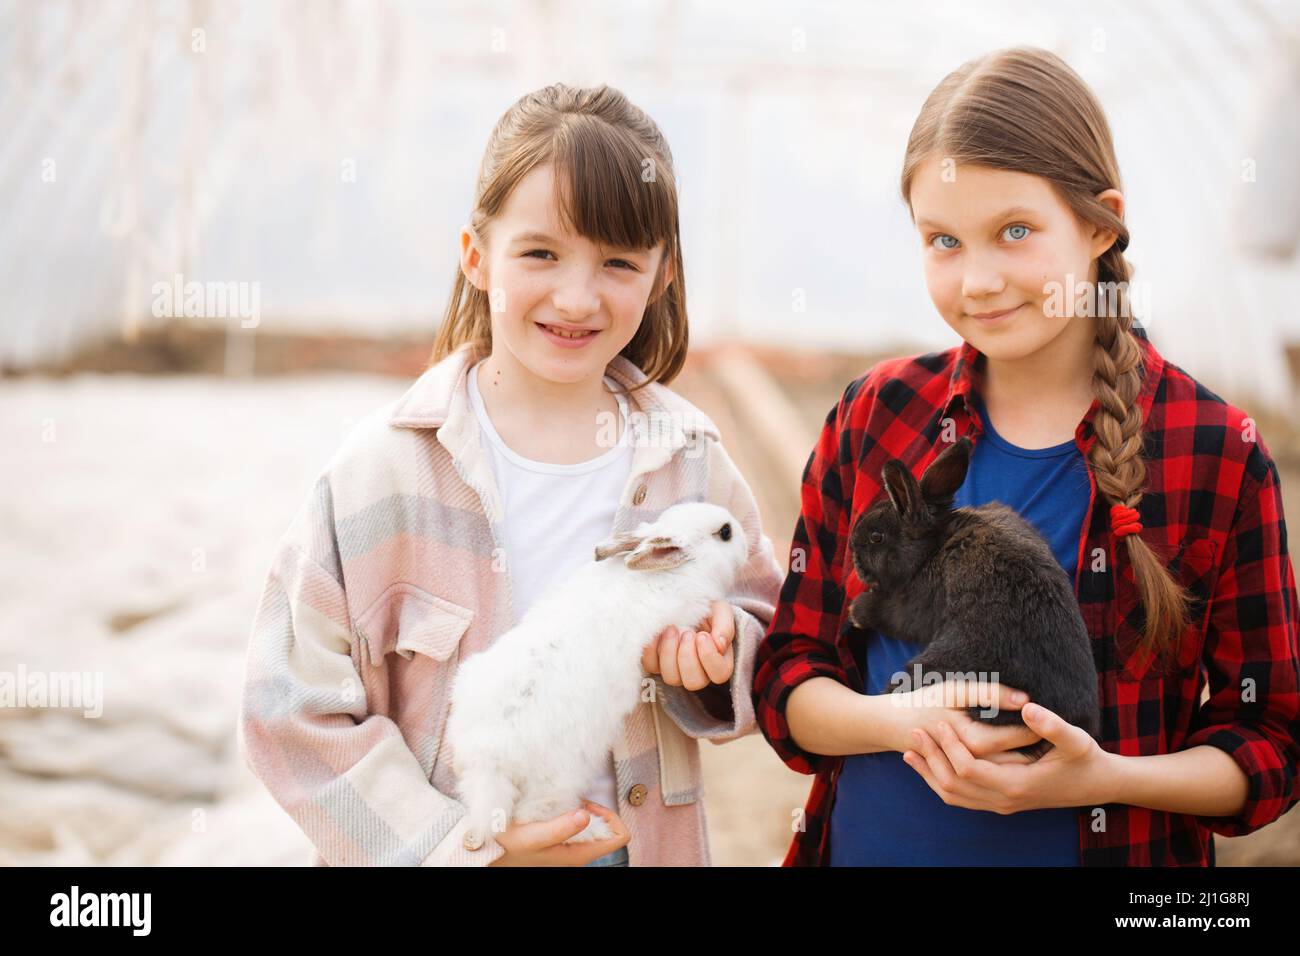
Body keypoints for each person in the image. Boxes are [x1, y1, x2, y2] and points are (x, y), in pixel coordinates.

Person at [753, 46, 1300, 866]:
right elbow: (791, 672)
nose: (977, 281)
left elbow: (1272, 744)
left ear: (1099, 222)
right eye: (943, 240)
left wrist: (1101, 777)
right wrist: (900, 718)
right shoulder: (876, 416)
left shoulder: (1216, 450)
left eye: (1015, 231)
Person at [240, 82, 783, 867]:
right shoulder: (381, 476)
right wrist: (452, 846)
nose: (576, 295)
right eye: (541, 253)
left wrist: (724, 658)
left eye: (618, 262)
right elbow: (287, 706)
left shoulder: (690, 462)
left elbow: (772, 628)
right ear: (477, 257)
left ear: (662, 277)